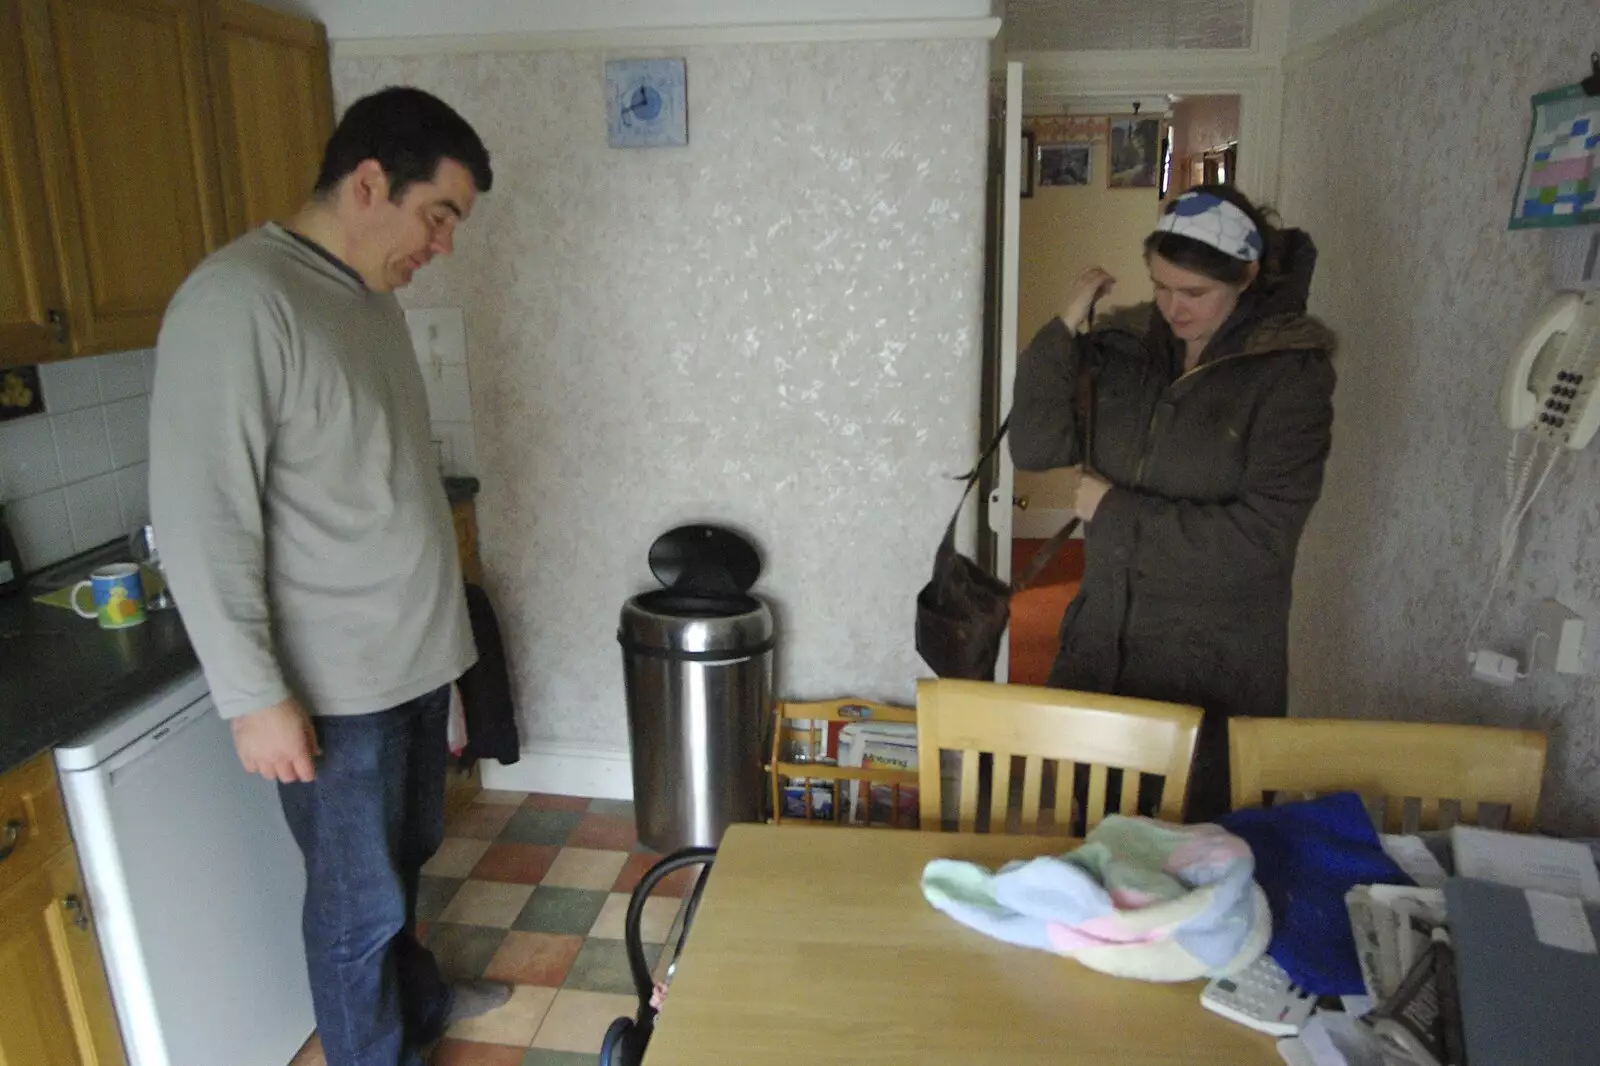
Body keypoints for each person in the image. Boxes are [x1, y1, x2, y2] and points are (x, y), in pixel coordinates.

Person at [150, 87, 503, 1066]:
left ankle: (420, 1006)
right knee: (355, 911)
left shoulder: (367, 299)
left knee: (405, 869)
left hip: (408, 669)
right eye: (438, 215)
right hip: (336, 692)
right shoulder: (238, 302)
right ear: (368, 182)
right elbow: (199, 514)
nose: (443, 243)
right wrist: (252, 694)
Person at [1009, 185, 1336, 822]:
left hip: (1207, 662)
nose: (1172, 308)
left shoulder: (1290, 378)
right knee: (1093, 831)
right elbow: (1036, 443)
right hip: (1101, 649)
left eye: (1194, 294)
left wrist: (1116, 512)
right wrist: (1063, 328)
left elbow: (1260, 541)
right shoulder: (1130, 350)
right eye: (1161, 286)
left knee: (1194, 849)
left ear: (1245, 276)